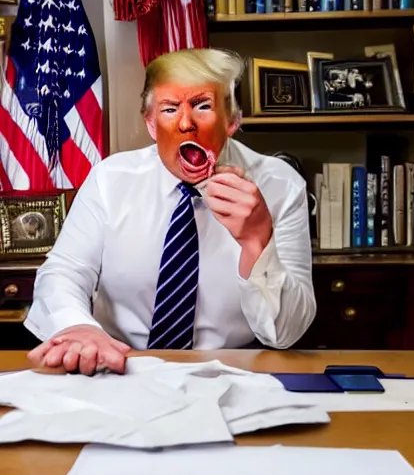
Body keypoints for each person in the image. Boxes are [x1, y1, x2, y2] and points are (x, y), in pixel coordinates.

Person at [25, 48, 316, 375]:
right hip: (120, 366)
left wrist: (257, 242)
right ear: (150, 123)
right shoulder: (111, 179)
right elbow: (64, 272)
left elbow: (287, 333)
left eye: (203, 106)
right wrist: (77, 326)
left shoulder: (280, 185)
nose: (186, 123)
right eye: (169, 109)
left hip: (230, 370)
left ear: (232, 120)